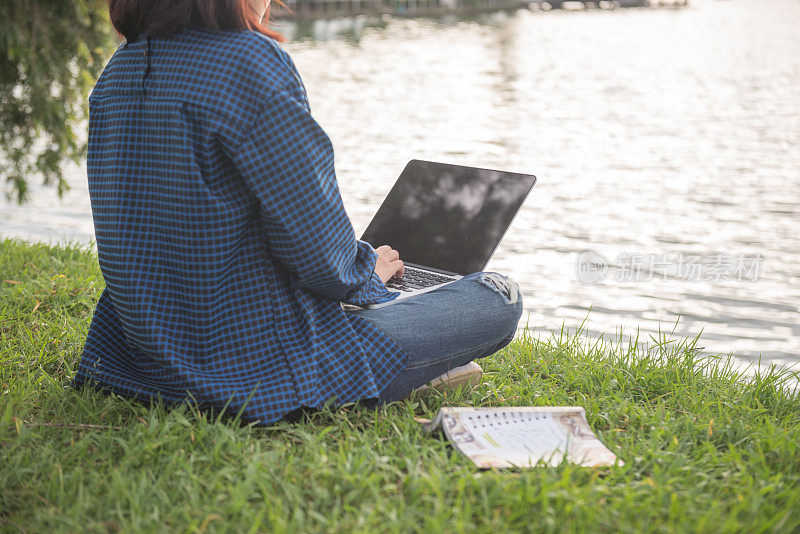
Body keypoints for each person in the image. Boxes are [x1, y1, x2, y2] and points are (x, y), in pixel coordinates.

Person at [72, 0, 523, 425]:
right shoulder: (247, 61)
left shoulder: (119, 71)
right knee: (497, 296)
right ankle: (400, 378)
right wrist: (368, 272)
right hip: (255, 371)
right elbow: (324, 260)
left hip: (139, 356)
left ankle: (410, 364)